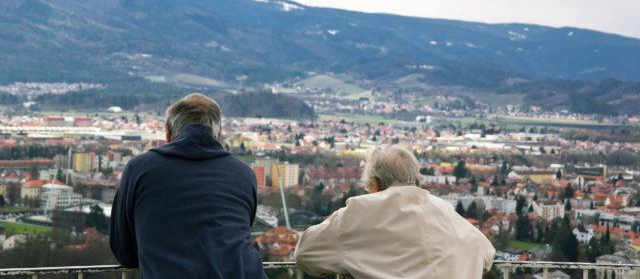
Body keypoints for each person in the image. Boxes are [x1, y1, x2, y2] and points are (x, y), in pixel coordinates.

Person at [110, 93, 266, 279]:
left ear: (168, 133)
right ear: (217, 133)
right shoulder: (243, 173)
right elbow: (237, 234)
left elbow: (124, 251)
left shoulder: (139, 169)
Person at [295, 146, 495, 279]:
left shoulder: (359, 212)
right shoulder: (446, 211)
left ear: (376, 183)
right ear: (416, 180)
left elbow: (305, 253)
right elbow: (487, 254)